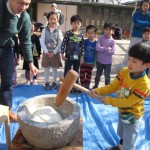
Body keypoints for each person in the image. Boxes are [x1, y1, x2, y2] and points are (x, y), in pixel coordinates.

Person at [90, 42, 150, 150]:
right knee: (121, 133)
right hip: (121, 111)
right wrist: (98, 91)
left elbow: (129, 102)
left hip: (132, 115)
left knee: (129, 140)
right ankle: (121, 147)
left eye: (134, 61)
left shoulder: (144, 84)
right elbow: (112, 87)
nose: (130, 63)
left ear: (147, 65)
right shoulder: (124, 72)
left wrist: (109, 100)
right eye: (129, 59)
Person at [0, 0, 38, 122]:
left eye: (27, 4)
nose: (23, 7)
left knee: (7, 82)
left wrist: (31, 63)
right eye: (20, 3)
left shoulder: (25, 17)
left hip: (6, 48)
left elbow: (25, 41)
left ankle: (6, 111)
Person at [122, 0, 150, 68]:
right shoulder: (136, 14)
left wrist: (142, 24)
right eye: (144, 5)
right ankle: (124, 66)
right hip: (136, 36)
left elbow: (140, 24)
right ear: (141, 6)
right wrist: (146, 24)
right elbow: (136, 22)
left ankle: (142, 67)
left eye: (147, 6)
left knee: (145, 52)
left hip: (147, 37)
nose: (145, 7)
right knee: (131, 51)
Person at [61, 15, 84, 92]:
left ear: (81, 24)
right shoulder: (68, 33)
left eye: (78, 23)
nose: (76, 25)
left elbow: (82, 46)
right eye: (74, 23)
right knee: (67, 71)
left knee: (76, 72)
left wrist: (82, 57)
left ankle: (75, 87)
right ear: (71, 24)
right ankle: (66, 87)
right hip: (68, 56)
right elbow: (63, 44)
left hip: (77, 57)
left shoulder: (81, 35)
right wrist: (62, 54)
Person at [40, 11, 63, 90]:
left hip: (55, 53)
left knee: (54, 68)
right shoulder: (44, 30)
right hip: (46, 52)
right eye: (51, 19)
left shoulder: (59, 31)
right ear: (48, 20)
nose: (53, 21)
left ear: (57, 20)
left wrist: (54, 52)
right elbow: (42, 41)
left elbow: (60, 42)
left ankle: (54, 82)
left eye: (54, 19)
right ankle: (46, 82)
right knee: (46, 68)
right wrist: (46, 52)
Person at [92, 22, 115, 89]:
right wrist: (107, 49)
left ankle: (107, 88)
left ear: (112, 31)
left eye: (110, 30)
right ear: (104, 30)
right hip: (99, 61)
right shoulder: (101, 38)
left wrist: (102, 49)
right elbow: (97, 48)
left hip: (108, 62)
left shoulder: (112, 41)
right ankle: (96, 85)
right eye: (106, 29)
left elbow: (113, 52)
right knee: (98, 74)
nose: (108, 31)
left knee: (107, 76)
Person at [80, 25, 97, 89]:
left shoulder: (96, 43)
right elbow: (81, 51)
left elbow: (96, 54)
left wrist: (95, 62)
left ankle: (87, 85)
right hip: (84, 62)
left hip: (91, 63)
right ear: (86, 33)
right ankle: (82, 85)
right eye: (89, 33)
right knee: (82, 74)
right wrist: (81, 58)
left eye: (92, 33)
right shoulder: (84, 42)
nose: (90, 34)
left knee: (89, 75)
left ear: (95, 34)